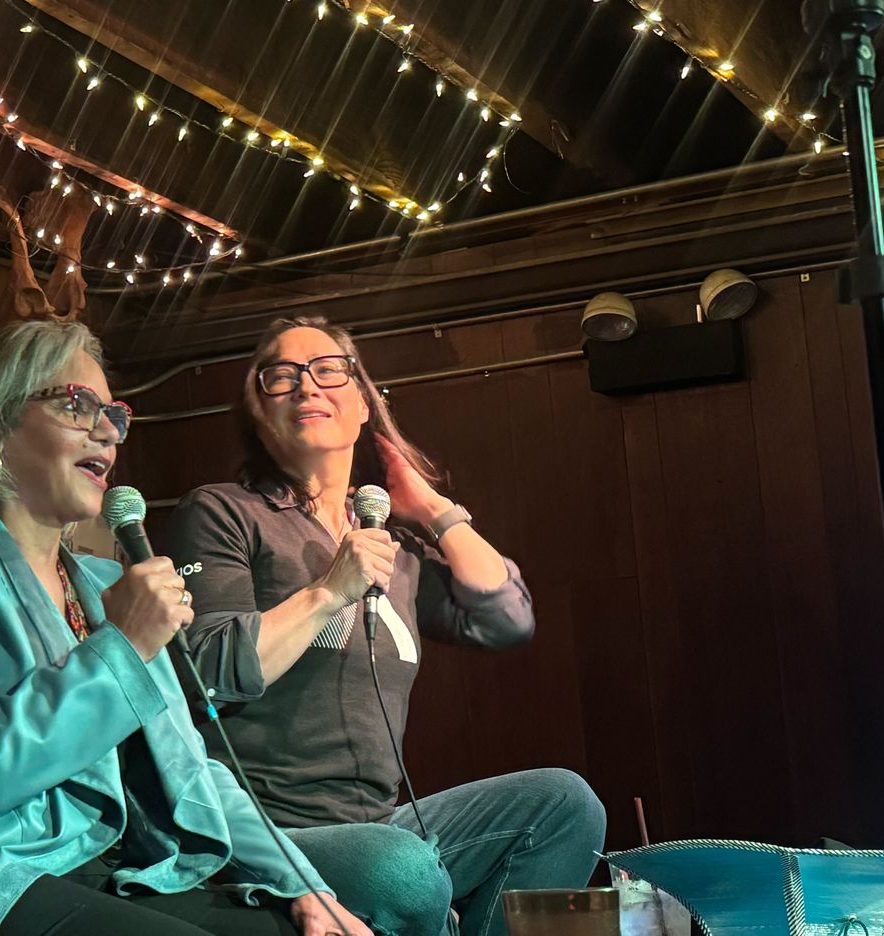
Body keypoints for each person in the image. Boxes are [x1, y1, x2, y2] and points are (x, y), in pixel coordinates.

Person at [0, 320, 442, 936]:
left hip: (94, 862)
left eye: (112, 414)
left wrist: (302, 884)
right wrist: (122, 647)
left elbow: (194, 770)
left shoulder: (105, 582)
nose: (106, 430)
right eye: (76, 405)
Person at [167, 316, 606, 936]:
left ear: (365, 402)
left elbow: (505, 619)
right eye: (281, 376)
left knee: (564, 804)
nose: (307, 387)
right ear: (257, 412)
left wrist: (433, 508)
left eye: (328, 370)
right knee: (401, 869)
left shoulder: (386, 544)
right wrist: (327, 592)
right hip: (267, 828)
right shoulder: (223, 513)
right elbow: (207, 669)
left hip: (378, 823)